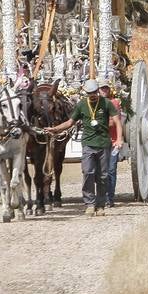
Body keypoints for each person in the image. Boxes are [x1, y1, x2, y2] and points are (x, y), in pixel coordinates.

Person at [48, 77, 121, 216]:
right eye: (89, 93)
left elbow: (117, 121)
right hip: (88, 144)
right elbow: (70, 122)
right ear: (86, 93)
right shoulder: (82, 104)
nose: (92, 95)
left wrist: (119, 139)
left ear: (97, 91)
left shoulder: (106, 103)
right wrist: (55, 129)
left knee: (102, 176)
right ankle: (89, 204)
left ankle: (100, 205)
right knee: (88, 172)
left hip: (104, 144)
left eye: (94, 92)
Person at [99, 77, 125, 207]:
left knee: (110, 170)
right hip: (99, 142)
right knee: (98, 171)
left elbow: (115, 122)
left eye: (106, 88)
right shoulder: (94, 103)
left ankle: (110, 198)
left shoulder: (114, 103)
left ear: (109, 90)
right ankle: (101, 197)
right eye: (101, 88)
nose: (104, 91)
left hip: (113, 142)